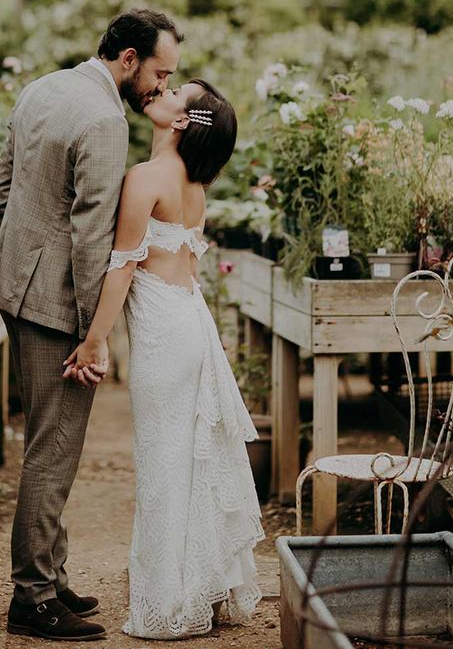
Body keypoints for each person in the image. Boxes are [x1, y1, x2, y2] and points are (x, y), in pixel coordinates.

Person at [0, 9, 183, 641]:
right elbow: (92, 234)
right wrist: (90, 334)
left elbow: (4, 188)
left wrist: (19, 265)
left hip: (18, 290)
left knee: (50, 438)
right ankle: (33, 597)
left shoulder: (43, 86)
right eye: (160, 72)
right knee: (54, 447)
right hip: (56, 308)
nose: (160, 86)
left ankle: (53, 572)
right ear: (128, 59)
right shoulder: (103, 120)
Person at [64, 79, 264, 639]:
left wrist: (95, 340)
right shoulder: (194, 185)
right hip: (187, 322)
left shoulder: (146, 178)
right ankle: (202, 585)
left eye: (179, 92)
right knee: (186, 464)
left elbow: (123, 264)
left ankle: (171, 604)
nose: (164, 90)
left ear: (181, 122)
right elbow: (183, 270)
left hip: (162, 334)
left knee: (163, 467)